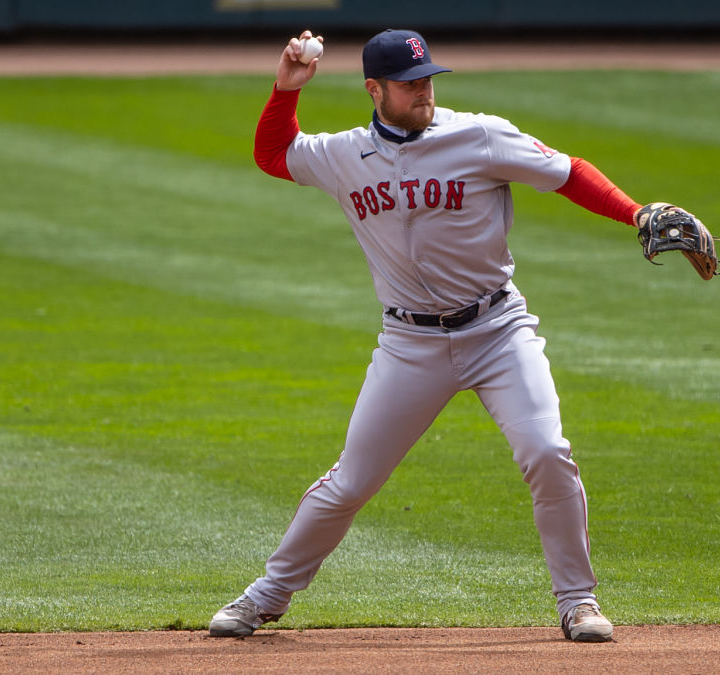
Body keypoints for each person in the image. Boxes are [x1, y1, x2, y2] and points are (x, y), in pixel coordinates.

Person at [209, 27, 662, 643]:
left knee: (548, 453)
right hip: (410, 346)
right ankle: (266, 596)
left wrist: (635, 212)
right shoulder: (342, 154)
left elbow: (568, 172)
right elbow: (273, 155)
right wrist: (285, 90)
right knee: (350, 481)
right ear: (375, 90)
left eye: (428, 79)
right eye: (408, 83)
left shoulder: (478, 135)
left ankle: (578, 601)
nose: (423, 91)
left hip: (499, 331)